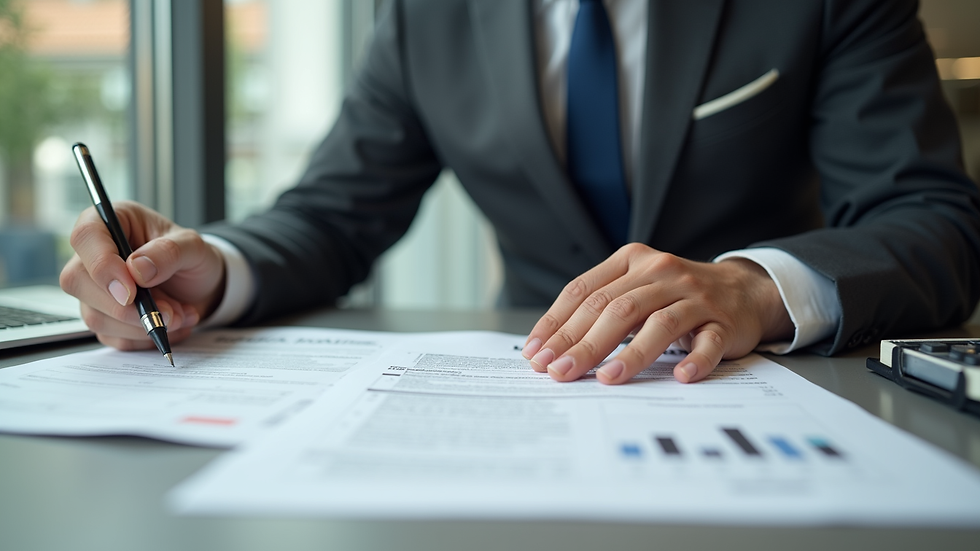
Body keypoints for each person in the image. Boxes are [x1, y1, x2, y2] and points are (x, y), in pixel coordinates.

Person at [61, 0, 980, 385]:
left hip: (765, 386)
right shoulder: (428, 16)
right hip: (534, 389)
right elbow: (337, 213)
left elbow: (935, 222)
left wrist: (754, 286)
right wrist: (207, 269)